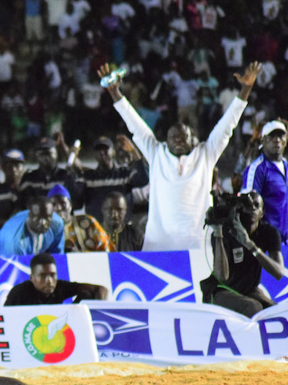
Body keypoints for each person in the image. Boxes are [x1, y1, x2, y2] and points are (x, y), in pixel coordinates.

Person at [99, 61, 262, 251]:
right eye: (172, 137)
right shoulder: (156, 153)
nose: (177, 140)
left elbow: (227, 126)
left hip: (199, 246)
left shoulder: (206, 154)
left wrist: (245, 89)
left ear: (194, 140)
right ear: (165, 141)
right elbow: (134, 124)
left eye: (183, 136)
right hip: (158, 247)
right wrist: (114, 92)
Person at [203, 191, 284, 317]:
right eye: (247, 205)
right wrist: (218, 232)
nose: (252, 208)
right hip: (219, 290)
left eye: (256, 205)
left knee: (275, 312)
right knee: (253, 307)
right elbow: (221, 277)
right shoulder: (225, 231)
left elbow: (279, 273)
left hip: (248, 290)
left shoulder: (269, 232)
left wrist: (249, 245)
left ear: (262, 213)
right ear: (239, 209)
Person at [241, 120, 288, 253]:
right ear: (263, 141)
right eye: (271, 137)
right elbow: (249, 208)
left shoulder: (286, 166)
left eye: (280, 136)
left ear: (285, 140)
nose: (277, 140)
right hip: (267, 245)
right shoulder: (257, 169)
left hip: (286, 244)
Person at [77, 136, 148, 221]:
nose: (102, 152)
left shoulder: (124, 174)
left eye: (106, 149)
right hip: (97, 230)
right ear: (95, 154)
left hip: (122, 229)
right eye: (98, 150)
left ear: (113, 152)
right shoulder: (88, 177)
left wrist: (133, 151)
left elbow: (143, 180)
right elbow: (75, 198)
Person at [4, 253, 108, 306]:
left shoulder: (60, 286)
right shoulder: (18, 293)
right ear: (32, 278)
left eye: (52, 275)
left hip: (57, 330)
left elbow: (100, 289)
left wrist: (99, 308)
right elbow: (6, 319)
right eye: (43, 276)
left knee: (87, 295)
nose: (49, 281)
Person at [0, 197, 65, 256]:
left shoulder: (57, 224)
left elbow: (57, 258)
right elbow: (15, 271)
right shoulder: (14, 241)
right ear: (29, 216)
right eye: (37, 218)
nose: (43, 223)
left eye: (47, 218)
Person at [47, 185, 113, 252]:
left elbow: (108, 250)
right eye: (53, 205)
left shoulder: (89, 222)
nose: (58, 208)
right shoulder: (45, 229)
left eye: (63, 204)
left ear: (70, 205)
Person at [18, 137, 76, 208]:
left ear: (56, 153)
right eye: (41, 154)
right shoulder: (28, 179)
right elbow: (21, 204)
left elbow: (76, 202)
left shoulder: (66, 176)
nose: (45, 157)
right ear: (36, 155)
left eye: (48, 153)